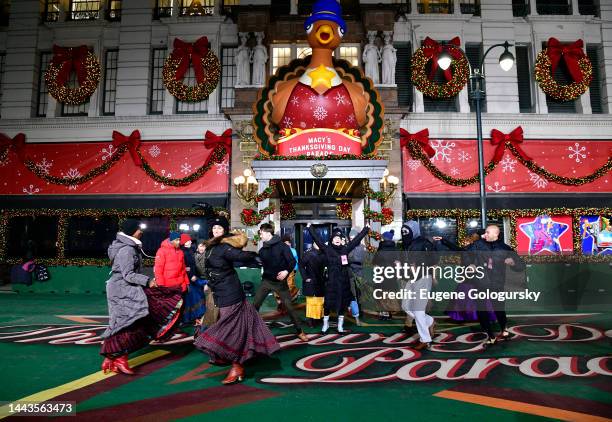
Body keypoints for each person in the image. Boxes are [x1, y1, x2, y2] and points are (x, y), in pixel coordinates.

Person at [194, 216, 279, 385]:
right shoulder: (212, 246)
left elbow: (241, 255)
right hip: (218, 292)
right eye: (214, 228)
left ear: (225, 231)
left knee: (231, 328)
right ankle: (223, 356)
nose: (216, 231)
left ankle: (237, 365)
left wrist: (257, 257)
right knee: (222, 324)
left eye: (220, 229)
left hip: (230, 293)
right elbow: (209, 268)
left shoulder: (225, 247)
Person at [100, 219, 183, 375]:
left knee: (124, 323)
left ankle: (112, 357)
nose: (141, 231)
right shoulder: (127, 250)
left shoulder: (130, 246)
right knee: (127, 324)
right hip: (122, 290)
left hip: (124, 289)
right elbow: (128, 274)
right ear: (132, 231)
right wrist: (148, 281)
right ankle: (119, 358)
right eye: (139, 229)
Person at [466, 224, 526, 345]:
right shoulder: (478, 245)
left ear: (496, 234)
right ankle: (490, 335)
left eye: (488, 232)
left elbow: (521, 265)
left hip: (497, 284)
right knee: (481, 309)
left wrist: (513, 263)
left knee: (499, 309)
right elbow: (465, 253)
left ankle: (504, 330)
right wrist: (470, 264)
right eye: (485, 232)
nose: (485, 234)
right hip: (481, 283)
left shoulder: (505, 248)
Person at [307, 223, 370, 333]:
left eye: (340, 238)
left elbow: (356, 241)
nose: (338, 239)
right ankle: (325, 324)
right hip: (330, 283)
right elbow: (317, 239)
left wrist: (366, 229)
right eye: (335, 237)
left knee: (341, 305)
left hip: (343, 283)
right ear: (331, 239)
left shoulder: (345, 249)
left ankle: (340, 326)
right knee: (327, 305)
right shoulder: (327, 250)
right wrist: (309, 228)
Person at [253, 224, 309, 342]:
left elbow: (292, 261)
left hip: (280, 283)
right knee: (255, 306)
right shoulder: (262, 250)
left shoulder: (283, 246)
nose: (260, 235)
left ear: (268, 233)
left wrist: (286, 271)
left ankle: (299, 331)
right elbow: (258, 262)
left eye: (261, 233)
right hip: (266, 281)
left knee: (290, 308)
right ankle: (249, 330)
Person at [433, 230, 497, 323]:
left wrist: (475, 264)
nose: (469, 238)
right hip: (469, 275)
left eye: (473, 236)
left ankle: (485, 316)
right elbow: (458, 250)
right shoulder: (471, 247)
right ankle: (472, 315)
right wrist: (444, 240)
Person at [400, 220, 436, 335]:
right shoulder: (407, 243)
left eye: (407, 231)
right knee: (405, 305)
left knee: (418, 309)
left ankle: (425, 339)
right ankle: (430, 321)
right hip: (412, 278)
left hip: (423, 277)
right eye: (403, 231)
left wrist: (433, 276)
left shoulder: (423, 243)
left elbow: (434, 261)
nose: (404, 233)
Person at [299, 242, 327, 327]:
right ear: (314, 243)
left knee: (320, 300)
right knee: (311, 301)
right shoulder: (308, 253)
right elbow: (301, 265)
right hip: (311, 281)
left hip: (321, 281)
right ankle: (311, 320)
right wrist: (305, 277)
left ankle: (318, 318)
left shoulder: (323, 253)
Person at [373, 230, 398, 321]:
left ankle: (384, 314)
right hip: (392, 274)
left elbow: (375, 263)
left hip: (381, 274)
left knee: (381, 294)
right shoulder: (395, 249)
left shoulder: (381, 249)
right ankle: (390, 312)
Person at [181, 234, 206, 325]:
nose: (191, 242)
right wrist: (190, 274)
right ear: (184, 242)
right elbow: (184, 266)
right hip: (190, 279)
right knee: (191, 299)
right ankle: (189, 319)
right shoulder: (183, 252)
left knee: (197, 298)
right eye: (188, 241)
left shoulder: (191, 250)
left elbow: (191, 266)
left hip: (194, 277)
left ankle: (197, 317)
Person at [195, 240, 218, 328]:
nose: (202, 248)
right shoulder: (195, 256)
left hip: (207, 280)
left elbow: (211, 270)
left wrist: (207, 282)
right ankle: (200, 316)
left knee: (209, 299)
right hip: (198, 280)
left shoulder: (208, 256)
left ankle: (208, 318)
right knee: (199, 299)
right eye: (200, 246)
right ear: (197, 247)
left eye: (203, 246)